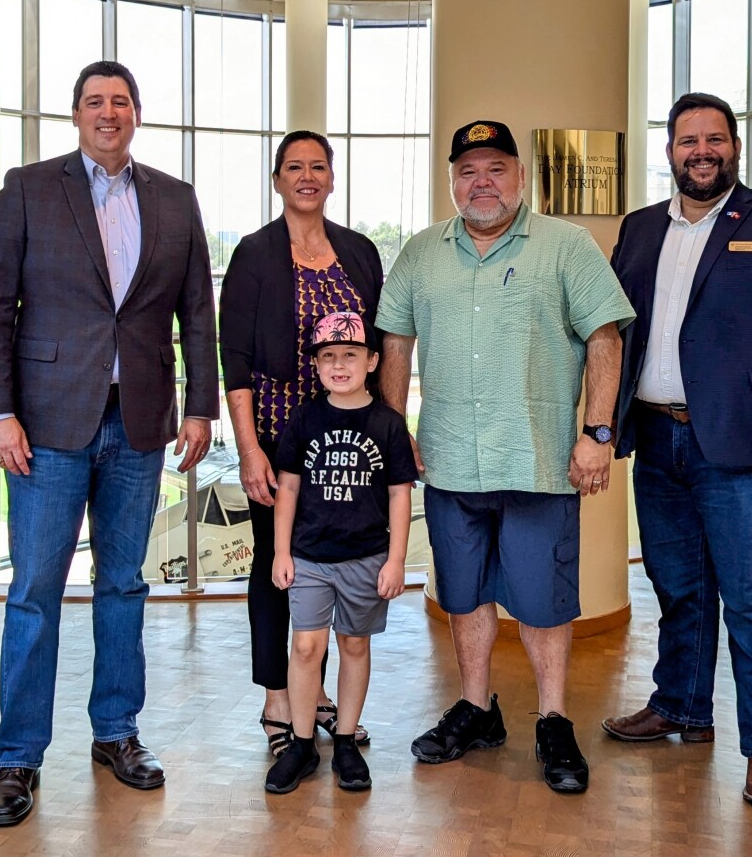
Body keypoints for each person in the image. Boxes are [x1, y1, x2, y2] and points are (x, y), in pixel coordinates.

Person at [0, 60, 218, 827]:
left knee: (124, 586)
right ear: (76, 115)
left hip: (140, 423)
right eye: (94, 102)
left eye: (121, 101)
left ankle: (117, 731)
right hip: (45, 425)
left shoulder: (175, 200)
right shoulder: (29, 187)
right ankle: (19, 755)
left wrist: (201, 406)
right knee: (36, 590)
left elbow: (197, 313)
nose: (108, 113)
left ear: (137, 114)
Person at [376, 120, 635, 794]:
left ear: (520, 177)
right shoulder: (421, 253)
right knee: (463, 595)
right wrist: (391, 426)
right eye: (467, 170)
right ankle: (477, 707)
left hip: (539, 461)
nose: (480, 181)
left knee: (545, 603)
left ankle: (552, 718)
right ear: (452, 180)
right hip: (450, 462)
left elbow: (605, 338)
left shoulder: (566, 246)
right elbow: (396, 341)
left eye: (494, 167)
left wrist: (597, 432)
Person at [604, 92, 752, 809]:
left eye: (713, 139)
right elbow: (617, 327)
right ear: (670, 150)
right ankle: (680, 704)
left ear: (734, 146)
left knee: (751, 601)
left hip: (749, 447)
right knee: (677, 587)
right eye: (686, 141)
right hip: (658, 438)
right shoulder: (642, 228)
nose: (700, 152)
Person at [218, 131, 383, 756]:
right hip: (279, 438)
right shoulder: (255, 255)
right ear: (277, 179)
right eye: (294, 167)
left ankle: (315, 692)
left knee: (335, 563)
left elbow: (383, 341)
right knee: (277, 563)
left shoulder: (360, 252)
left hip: (347, 441)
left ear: (332, 178)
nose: (307, 176)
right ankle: (278, 697)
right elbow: (233, 359)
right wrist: (250, 449)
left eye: (318, 166)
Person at [262, 312, 418, 794]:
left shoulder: (388, 425)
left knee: (354, 644)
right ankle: (303, 741)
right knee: (307, 647)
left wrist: (396, 560)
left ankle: (346, 739)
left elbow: (399, 494)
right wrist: (280, 552)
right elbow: (287, 487)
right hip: (309, 557)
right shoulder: (305, 418)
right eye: (328, 357)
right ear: (318, 366)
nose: (338, 365)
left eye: (349, 354)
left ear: (372, 361)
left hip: (367, 559)